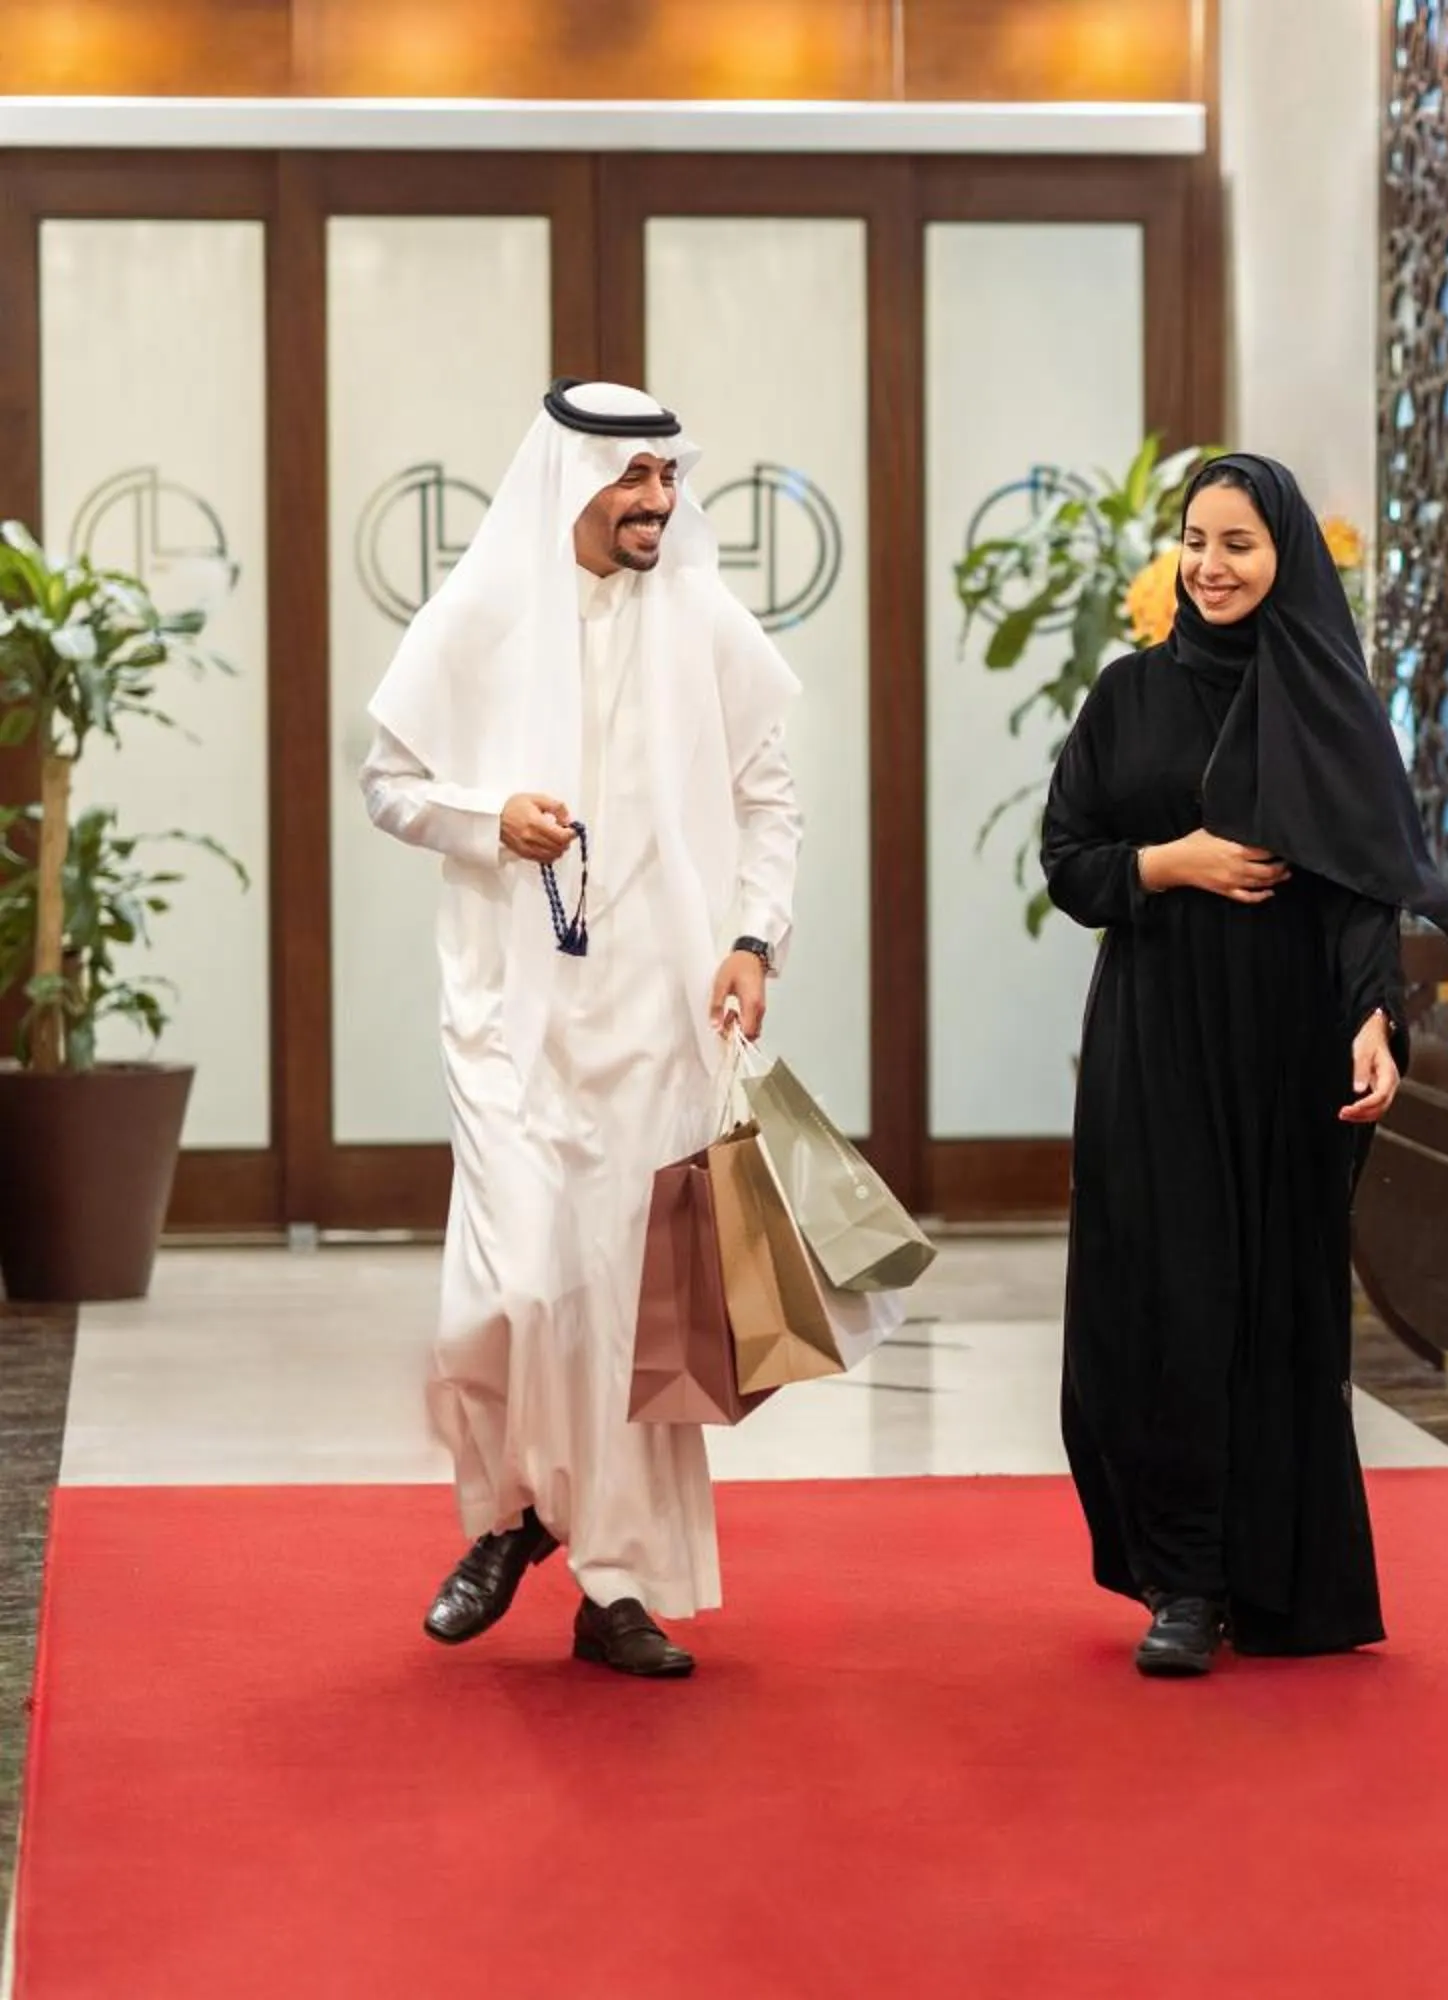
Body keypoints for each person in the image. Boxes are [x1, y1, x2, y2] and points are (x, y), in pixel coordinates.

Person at [363, 379, 802, 1680]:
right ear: (573, 484)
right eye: (633, 482)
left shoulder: (704, 616)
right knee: (512, 1287)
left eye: (669, 481)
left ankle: (616, 1585)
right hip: (514, 1010)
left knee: (627, 1312)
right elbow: (389, 784)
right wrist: (486, 817)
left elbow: (769, 797)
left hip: (659, 1016)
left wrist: (753, 938)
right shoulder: (485, 612)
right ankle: (518, 1512)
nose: (658, 504)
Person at [1042, 452, 1448, 1677]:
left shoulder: (1328, 704)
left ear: (1285, 559)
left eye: (1240, 543)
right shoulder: (1127, 696)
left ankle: (1273, 1573)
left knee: (1272, 1303)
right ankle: (1185, 1577)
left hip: (1286, 1045)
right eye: (1197, 540)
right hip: (1157, 1036)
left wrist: (1372, 1019)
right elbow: (1070, 858)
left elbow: (1360, 892)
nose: (1213, 565)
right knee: (1165, 1296)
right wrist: (1172, 863)